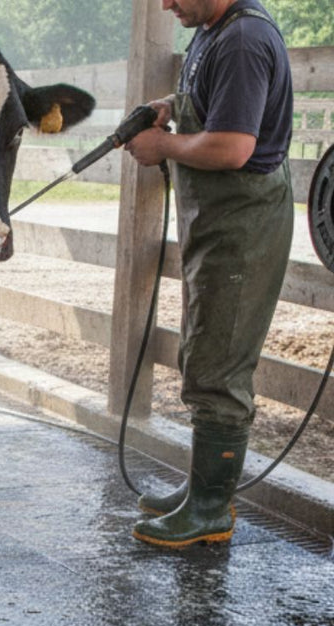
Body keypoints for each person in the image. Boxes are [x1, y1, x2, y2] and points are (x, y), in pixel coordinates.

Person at [124, 0, 294, 548]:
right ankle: (202, 488)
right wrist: (171, 104)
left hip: (242, 226)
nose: (166, 3)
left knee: (219, 364)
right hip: (219, 223)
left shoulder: (243, 39)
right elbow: (217, 103)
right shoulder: (213, 30)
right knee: (203, 350)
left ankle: (211, 509)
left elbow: (234, 146)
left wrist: (163, 145)